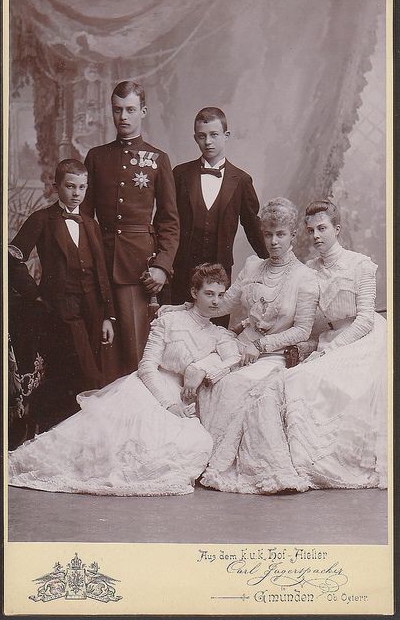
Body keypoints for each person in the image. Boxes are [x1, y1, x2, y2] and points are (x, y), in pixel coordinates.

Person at [8, 264, 242, 497]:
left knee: (193, 445)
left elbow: (233, 360)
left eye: (221, 295)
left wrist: (200, 369)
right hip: (149, 388)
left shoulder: (218, 335)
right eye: (209, 294)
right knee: (111, 443)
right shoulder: (169, 321)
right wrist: (167, 404)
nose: (215, 301)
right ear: (194, 293)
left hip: (181, 395)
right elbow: (147, 366)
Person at [161, 198, 319, 493]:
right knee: (208, 380)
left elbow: (303, 329)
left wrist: (262, 344)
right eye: (268, 233)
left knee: (239, 385)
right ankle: (195, 457)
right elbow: (223, 304)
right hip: (237, 348)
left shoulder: (305, 278)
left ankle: (225, 464)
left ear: (292, 235)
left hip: (272, 356)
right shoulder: (252, 266)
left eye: (280, 234)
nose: (273, 241)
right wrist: (186, 307)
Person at [235, 199, 387, 493]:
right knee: (294, 381)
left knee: (317, 381)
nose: (316, 235)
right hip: (328, 338)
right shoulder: (308, 270)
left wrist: (332, 349)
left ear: (337, 229)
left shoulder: (360, 265)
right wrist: (311, 345)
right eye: (311, 230)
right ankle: (300, 462)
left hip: (364, 339)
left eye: (322, 228)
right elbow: (312, 324)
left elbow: (366, 319)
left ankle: (326, 460)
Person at [81, 80, 179, 376]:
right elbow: (84, 218)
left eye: (130, 110)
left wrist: (162, 266)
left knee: (136, 349)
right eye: (117, 110)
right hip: (99, 261)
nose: (123, 117)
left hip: (138, 267)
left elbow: (170, 221)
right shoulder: (96, 157)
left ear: (143, 112)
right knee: (101, 349)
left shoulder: (158, 159)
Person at [10, 159, 115, 394]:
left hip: (93, 306)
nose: (76, 193)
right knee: (87, 371)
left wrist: (109, 316)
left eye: (82, 187)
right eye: (70, 186)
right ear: (56, 186)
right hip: (62, 305)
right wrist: (35, 294)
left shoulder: (90, 224)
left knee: (87, 366)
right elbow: (11, 257)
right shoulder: (42, 219)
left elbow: (102, 272)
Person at [171, 107, 267, 325]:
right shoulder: (180, 175)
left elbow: (253, 227)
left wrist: (276, 261)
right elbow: (168, 223)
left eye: (214, 135)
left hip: (219, 278)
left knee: (214, 338)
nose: (208, 142)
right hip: (183, 273)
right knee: (177, 335)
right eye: (202, 136)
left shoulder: (241, 180)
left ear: (226, 136)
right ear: (195, 137)